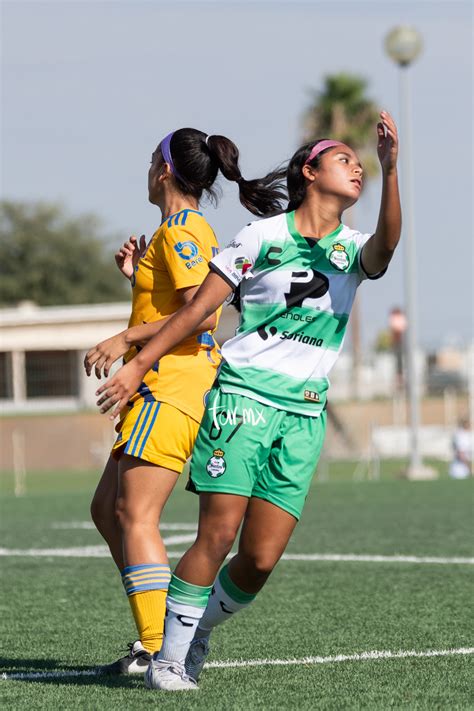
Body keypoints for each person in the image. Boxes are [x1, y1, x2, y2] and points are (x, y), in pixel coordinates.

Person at [95, 111, 401, 690]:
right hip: (241, 398)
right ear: (309, 173)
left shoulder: (352, 251)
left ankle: (196, 631)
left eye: (360, 163)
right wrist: (137, 363)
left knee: (258, 561)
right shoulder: (261, 237)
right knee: (217, 533)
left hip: (304, 413)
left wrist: (391, 170)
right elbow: (195, 313)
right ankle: (167, 659)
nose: (355, 166)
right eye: (343, 159)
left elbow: (387, 245)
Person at [83, 127, 286, 674]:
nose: (147, 167)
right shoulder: (179, 231)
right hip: (170, 383)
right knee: (108, 509)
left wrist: (126, 341)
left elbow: (205, 312)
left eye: (152, 158)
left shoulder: (181, 229)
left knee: (135, 513)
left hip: (170, 386)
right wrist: (137, 281)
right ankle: (157, 638)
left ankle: (158, 645)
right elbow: (182, 303)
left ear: (165, 170)